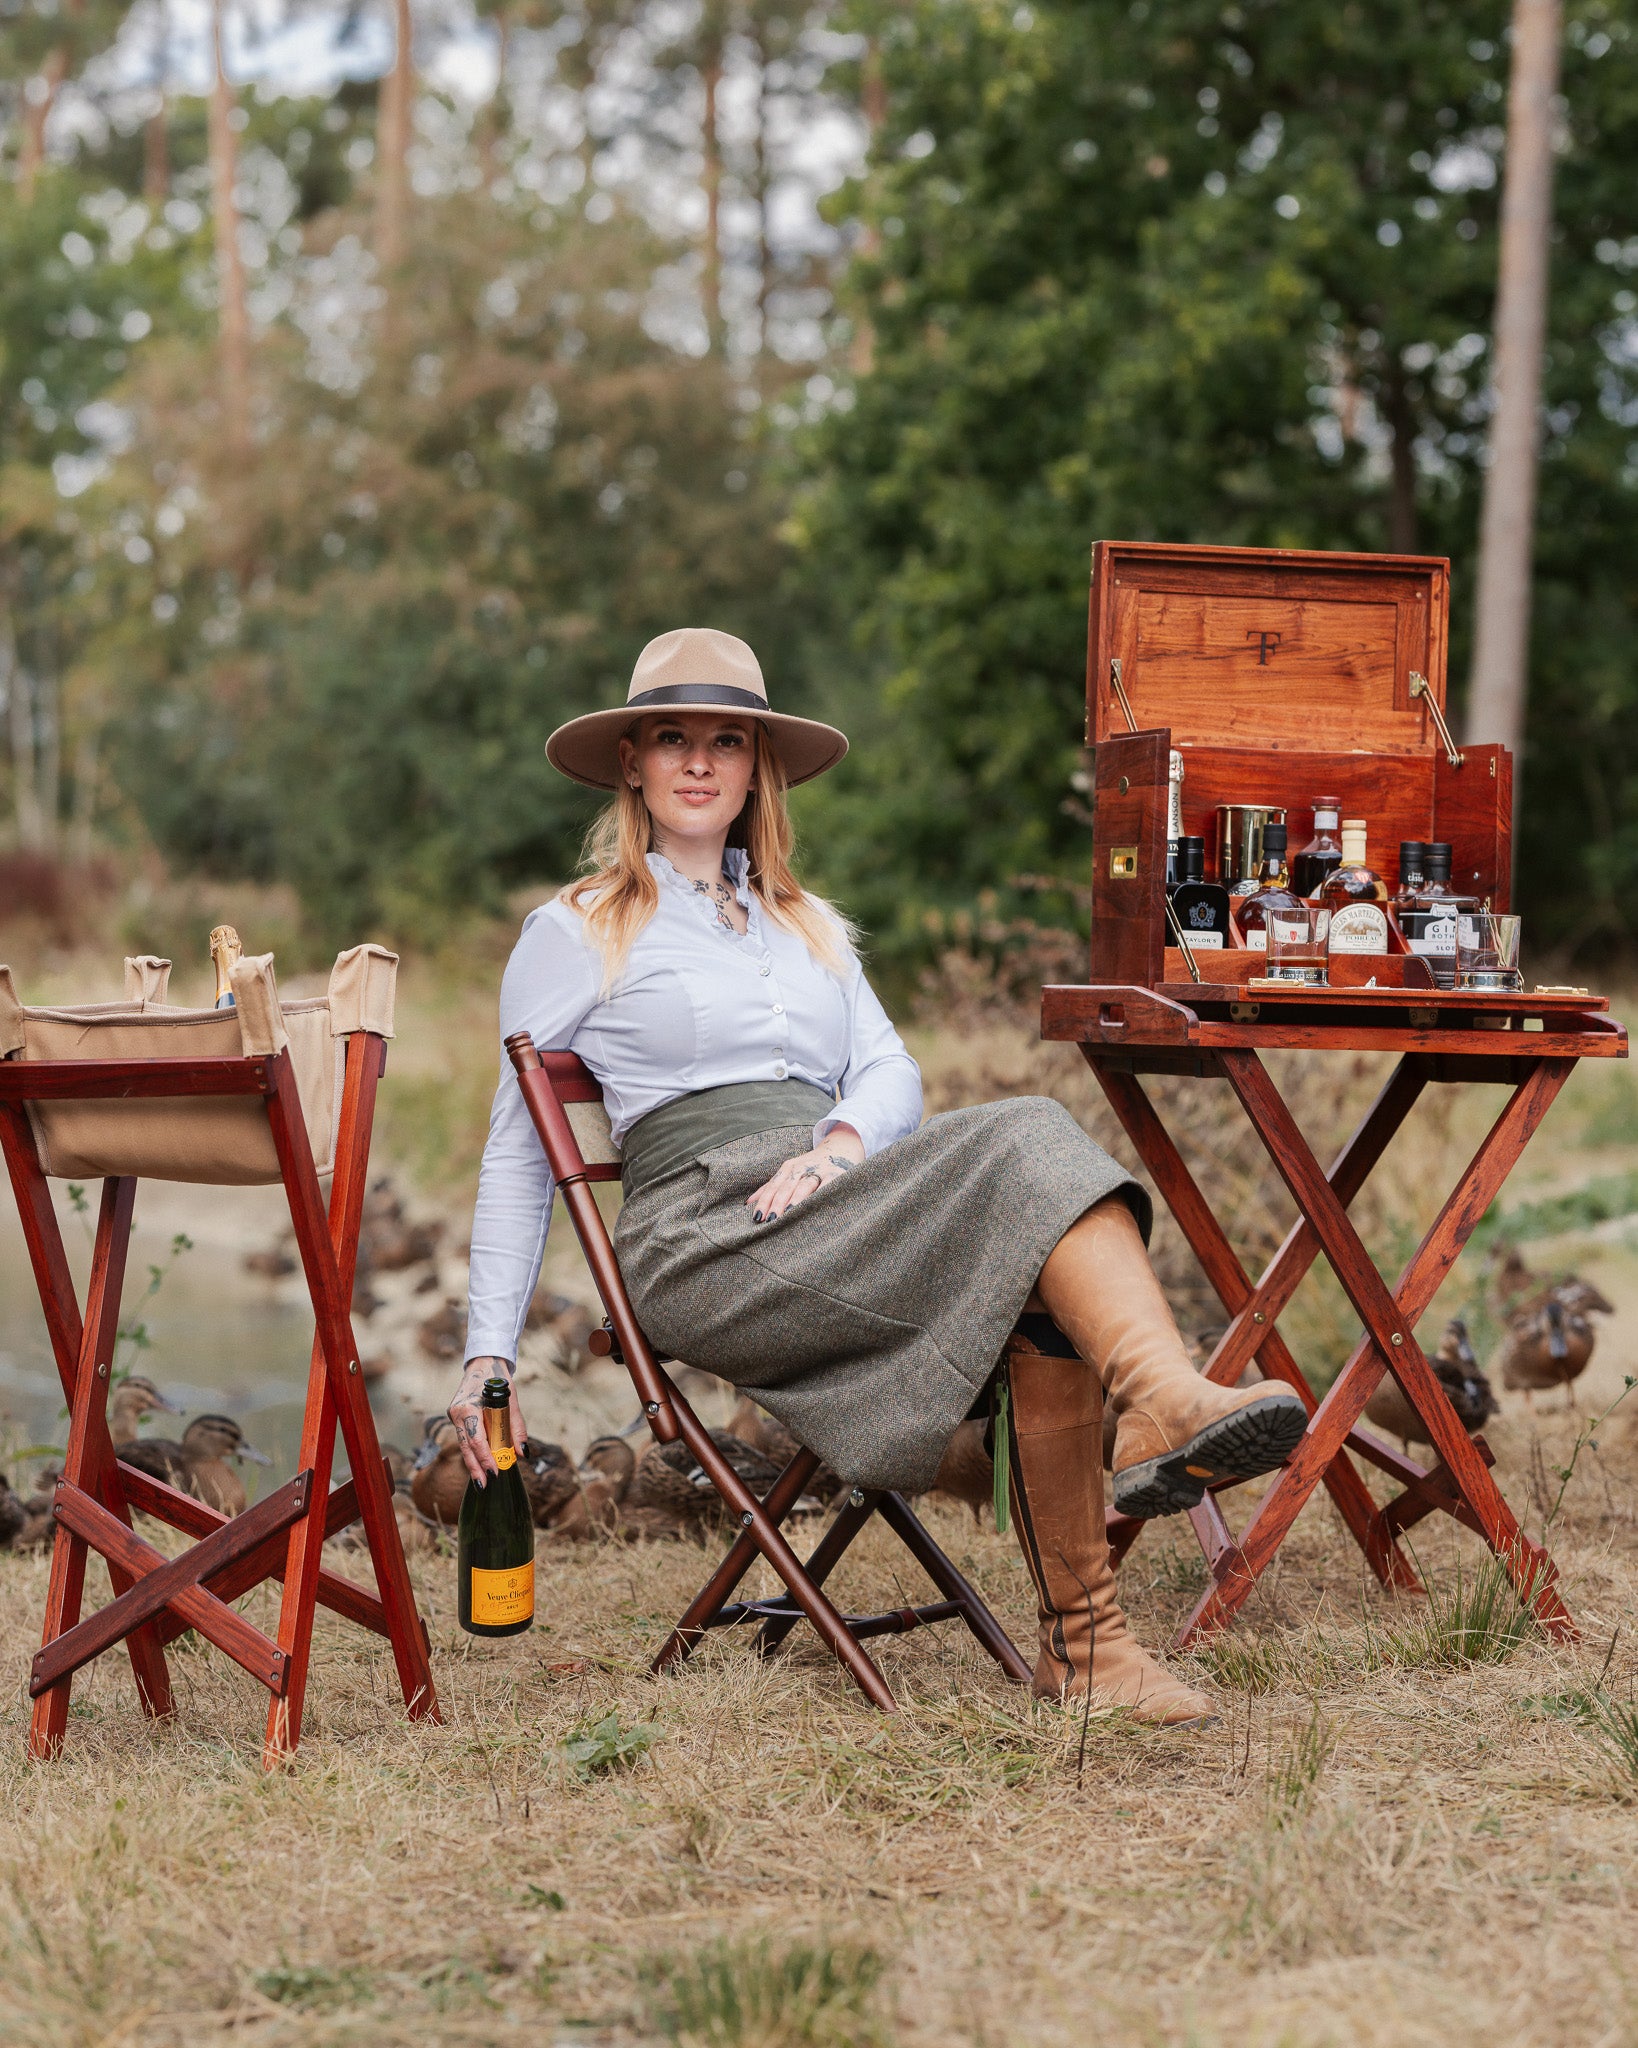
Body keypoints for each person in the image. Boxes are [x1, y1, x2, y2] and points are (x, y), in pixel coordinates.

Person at [453, 628, 1305, 1725]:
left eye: (727, 738)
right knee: (1031, 1137)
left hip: (830, 1198)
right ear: (633, 762)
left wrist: (841, 1145)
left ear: (759, 763)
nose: (700, 761)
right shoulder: (578, 927)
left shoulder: (808, 923)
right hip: (705, 1234)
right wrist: (489, 1352)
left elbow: (888, 1066)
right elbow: (518, 1141)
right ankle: (1160, 1405)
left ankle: (1091, 1641)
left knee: (1039, 1239)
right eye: (673, 738)